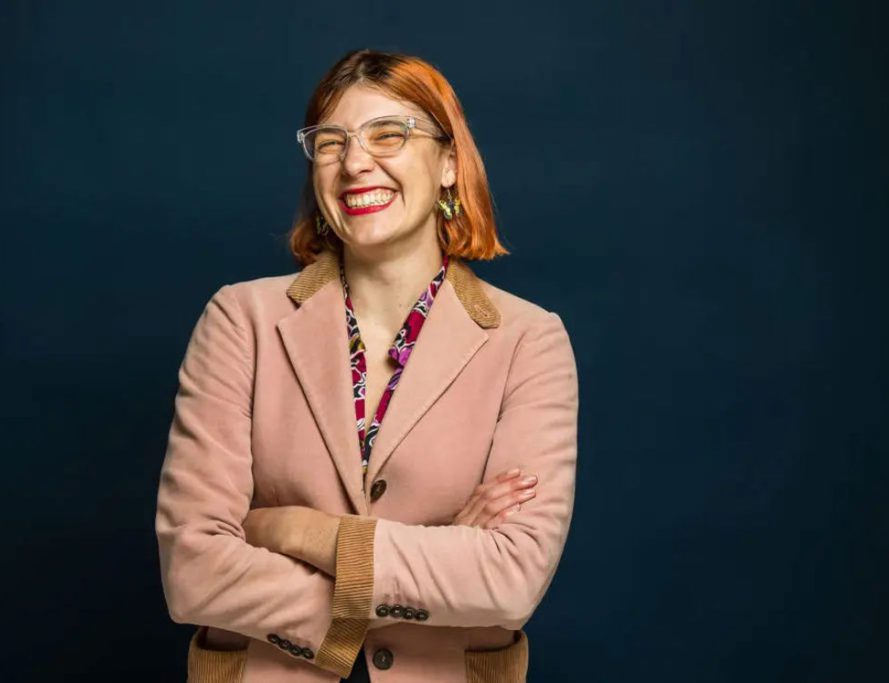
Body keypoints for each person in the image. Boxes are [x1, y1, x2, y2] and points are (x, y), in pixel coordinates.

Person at [155, 48, 580, 683]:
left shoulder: (530, 340)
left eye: (389, 134)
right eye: (331, 143)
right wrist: (441, 572)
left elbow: (510, 581)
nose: (355, 162)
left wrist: (294, 531)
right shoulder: (240, 319)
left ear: (447, 163)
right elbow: (193, 572)